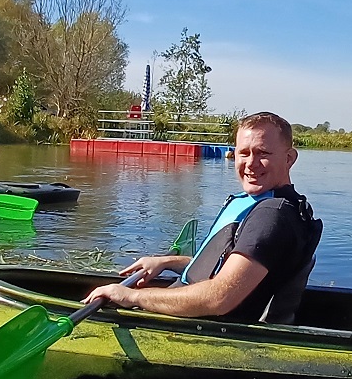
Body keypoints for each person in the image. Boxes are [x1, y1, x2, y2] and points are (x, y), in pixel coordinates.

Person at [82, 111, 324, 322]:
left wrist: (132, 296)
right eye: (244, 153)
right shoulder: (283, 205)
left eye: (262, 153)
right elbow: (227, 270)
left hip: (215, 329)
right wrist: (167, 262)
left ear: (289, 158)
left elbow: (219, 297)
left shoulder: (272, 216)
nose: (251, 163)